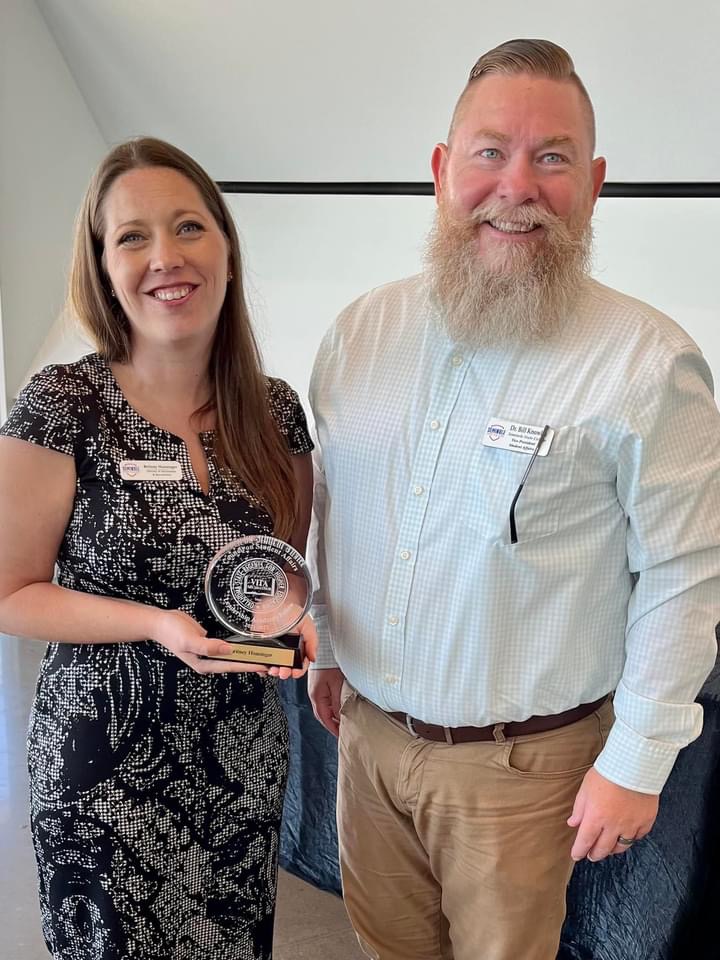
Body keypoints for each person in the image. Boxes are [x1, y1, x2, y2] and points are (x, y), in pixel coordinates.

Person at [307, 39, 720, 960]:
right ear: (443, 169)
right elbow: (334, 508)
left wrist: (639, 760)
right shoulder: (359, 333)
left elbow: (687, 578)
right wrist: (329, 646)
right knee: (386, 945)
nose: (517, 185)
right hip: (367, 744)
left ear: (596, 181)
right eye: (490, 152)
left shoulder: (648, 364)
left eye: (553, 157)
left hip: (520, 771)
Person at [0, 137, 317, 960]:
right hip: (99, 767)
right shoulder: (65, 405)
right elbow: (10, 593)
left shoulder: (276, 412)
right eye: (132, 236)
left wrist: (294, 624)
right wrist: (154, 622)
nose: (165, 257)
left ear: (227, 249)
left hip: (239, 761)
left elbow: (280, 578)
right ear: (102, 267)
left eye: (188, 228)